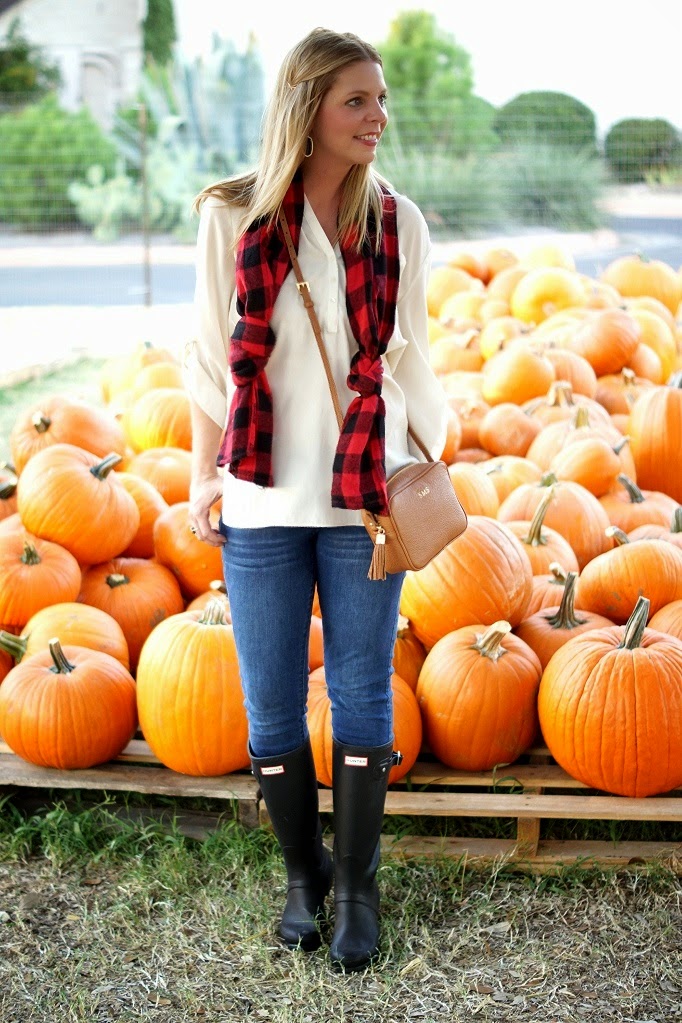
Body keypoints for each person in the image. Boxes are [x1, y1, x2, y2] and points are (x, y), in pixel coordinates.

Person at [184, 27, 448, 971]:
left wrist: (425, 458)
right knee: (267, 712)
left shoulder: (399, 223)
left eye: (381, 100)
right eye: (357, 101)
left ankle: (360, 888)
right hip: (257, 497)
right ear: (308, 109)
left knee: (365, 697)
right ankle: (304, 876)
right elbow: (210, 365)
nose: (379, 117)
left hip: (362, 498)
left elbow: (412, 355)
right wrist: (197, 476)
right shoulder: (231, 216)